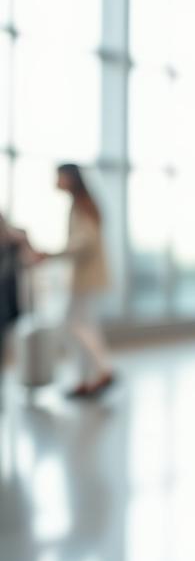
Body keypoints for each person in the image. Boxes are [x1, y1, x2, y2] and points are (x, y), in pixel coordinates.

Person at [35, 164, 114, 398]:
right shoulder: (80, 204)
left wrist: (52, 253)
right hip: (85, 277)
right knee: (81, 326)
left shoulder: (82, 205)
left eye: (59, 176)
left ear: (69, 178)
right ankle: (89, 378)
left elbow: (85, 242)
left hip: (87, 277)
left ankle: (100, 372)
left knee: (76, 326)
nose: (56, 181)